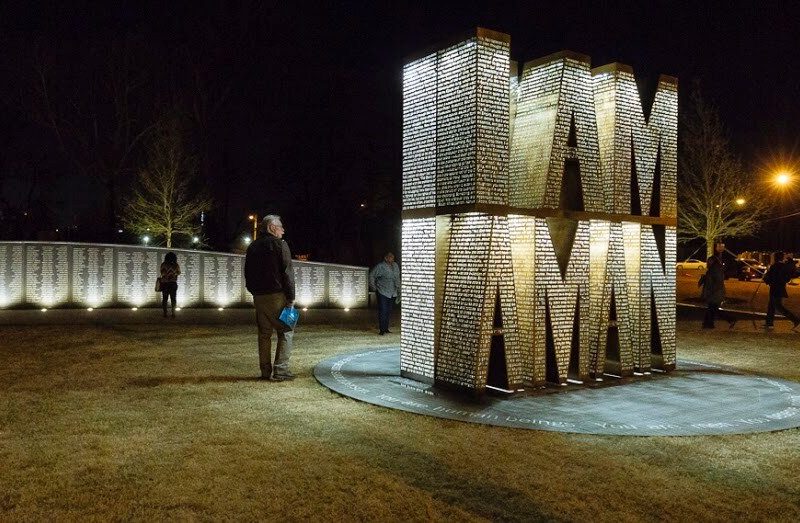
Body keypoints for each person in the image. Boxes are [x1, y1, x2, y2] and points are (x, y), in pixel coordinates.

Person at [244, 214, 296, 381]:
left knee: (264, 334)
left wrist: (254, 292)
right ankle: (281, 370)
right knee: (286, 330)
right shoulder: (280, 244)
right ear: (272, 227)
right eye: (280, 226)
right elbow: (287, 273)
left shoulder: (252, 247)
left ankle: (265, 371)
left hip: (259, 296)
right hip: (277, 295)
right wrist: (291, 298)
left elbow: (247, 273)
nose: (283, 230)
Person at [699, 242, 736, 329]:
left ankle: (730, 319)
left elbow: (715, 282)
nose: (707, 263)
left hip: (715, 292)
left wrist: (710, 292)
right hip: (714, 292)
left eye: (709, 262)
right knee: (711, 308)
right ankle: (708, 324)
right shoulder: (713, 270)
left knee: (713, 309)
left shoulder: (715, 270)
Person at [763, 251, 800, 330]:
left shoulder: (776, 266)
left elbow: (773, 277)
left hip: (776, 288)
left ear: (776, 258)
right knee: (771, 306)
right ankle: (769, 323)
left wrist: (766, 278)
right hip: (778, 288)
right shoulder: (782, 266)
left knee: (778, 306)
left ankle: (796, 320)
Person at [369, 252, 401, 335]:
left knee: (389, 311)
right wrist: (374, 287)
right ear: (386, 258)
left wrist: (399, 290)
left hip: (393, 292)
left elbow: (398, 278)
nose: (391, 258)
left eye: (393, 257)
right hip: (382, 291)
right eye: (390, 257)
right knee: (383, 310)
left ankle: (386, 328)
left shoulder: (395, 266)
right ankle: (382, 329)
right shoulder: (380, 266)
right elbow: (371, 275)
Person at [160, 252, 181, 318]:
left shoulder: (163, 264)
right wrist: (173, 274)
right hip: (173, 284)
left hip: (165, 284)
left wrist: (166, 275)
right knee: (173, 299)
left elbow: (162, 273)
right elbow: (179, 272)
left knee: (165, 299)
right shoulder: (175, 265)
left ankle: (165, 313)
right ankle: (173, 313)